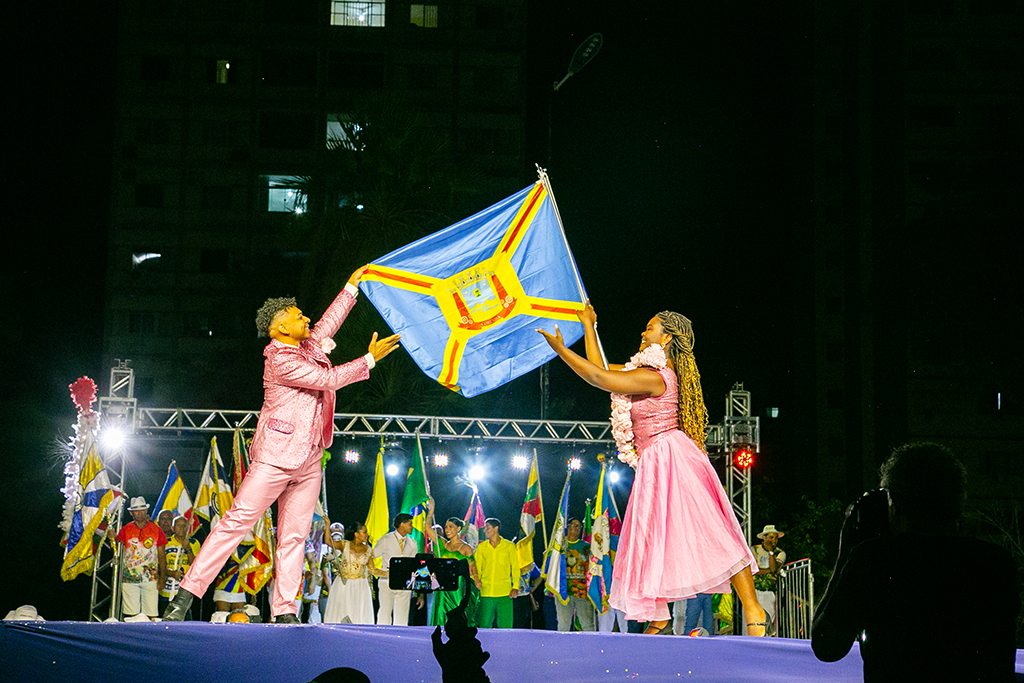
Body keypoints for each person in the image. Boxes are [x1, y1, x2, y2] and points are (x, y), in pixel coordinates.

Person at [163, 266, 400, 623]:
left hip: (310, 458)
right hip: (274, 458)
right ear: (281, 328)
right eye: (298, 315)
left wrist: (352, 286)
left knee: (294, 537)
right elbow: (327, 378)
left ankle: (285, 609)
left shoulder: (306, 345)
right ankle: (185, 595)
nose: (306, 319)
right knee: (235, 523)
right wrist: (369, 360)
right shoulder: (280, 359)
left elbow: (328, 323)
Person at [538, 306, 766, 635]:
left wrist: (561, 350)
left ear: (667, 337)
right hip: (654, 462)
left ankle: (753, 607)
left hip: (671, 456)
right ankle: (659, 617)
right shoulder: (644, 372)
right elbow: (600, 367)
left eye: (650, 328)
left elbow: (598, 378)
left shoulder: (655, 377)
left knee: (713, 531)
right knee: (652, 538)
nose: (643, 333)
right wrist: (589, 325)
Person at [811, 442, 1020, 682]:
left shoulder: (875, 560)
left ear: (896, 503)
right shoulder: (994, 562)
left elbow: (826, 647)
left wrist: (847, 551)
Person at [110, 496, 167, 620]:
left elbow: (162, 555)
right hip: (129, 578)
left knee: (151, 615)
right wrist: (112, 539)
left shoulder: (156, 530)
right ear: (131, 513)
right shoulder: (125, 530)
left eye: (142, 510)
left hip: (151, 578)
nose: (140, 513)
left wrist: (162, 577)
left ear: (146, 510)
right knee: (132, 616)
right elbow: (116, 551)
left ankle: (149, 633)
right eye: (136, 511)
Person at [425, 500, 474, 627]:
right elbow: (427, 528)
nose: (447, 529)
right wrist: (431, 510)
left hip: (457, 589)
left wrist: (475, 585)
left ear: (458, 529)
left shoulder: (466, 548)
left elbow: (473, 570)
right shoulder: (441, 544)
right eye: (446, 527)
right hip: (442, 587)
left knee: (457, 617)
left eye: (450, 527)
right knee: (440, 617)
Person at [321, 520, 374, 624]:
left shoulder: (368, 549)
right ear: (356, 534)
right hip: (344, 582)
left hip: (361, 584)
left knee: (358, 612)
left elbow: (373, 569)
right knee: (342, 611)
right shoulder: (344, 545)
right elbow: (328, 541)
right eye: (364, 532)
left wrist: (388, 573)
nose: (367, 534)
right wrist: (327, 524)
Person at [371, 513, 419, 625]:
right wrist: (376, 571)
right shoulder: (386, 539)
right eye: (410, 524)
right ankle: (382, 633)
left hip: (405, 582)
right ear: (402, 524)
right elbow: (371, 555)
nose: (412, 527)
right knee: (385, 612)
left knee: (402, 615)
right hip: (387, 581)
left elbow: (414, 563)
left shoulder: (413, 543)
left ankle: (400, 634)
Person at [472, 518, 518, 629]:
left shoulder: (509, 546)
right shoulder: (482, 547)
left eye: (487, 528)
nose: (484, 531)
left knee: (506, 626)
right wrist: (476, 581)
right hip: (486, 592)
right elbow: (476, 568)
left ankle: (505, 641)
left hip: (505, 593)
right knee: (484, 625)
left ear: (496, 528)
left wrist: (515, 587)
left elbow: (515, 568)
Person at [555, 517, 596, 631]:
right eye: (574, 525)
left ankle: (590, 643)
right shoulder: (559, 545)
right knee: (563, 625)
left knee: (588, 625)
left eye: (579, 526)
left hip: (582, 592)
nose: (577, 528)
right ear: (568, 527)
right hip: (563, 592)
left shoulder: (586, 547)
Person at [158, 515, 200, 619]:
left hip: (184, 591)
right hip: (166, 590)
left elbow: (196, 566)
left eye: (184, 526)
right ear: (172, 528)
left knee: (184, 620)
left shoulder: (194, 543)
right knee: (165, 620)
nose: (181, 528)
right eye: (178, 525)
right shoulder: (165, 542)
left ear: (188, 528)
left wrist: (188, 549)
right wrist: (170, 573)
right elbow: (158, 565)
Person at [751, 524, 786, 635]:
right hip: (753, 591)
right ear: (764, 538)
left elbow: (774, 568)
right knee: (752, 622)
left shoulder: (780, 553)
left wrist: (771, 551)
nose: (774, 540)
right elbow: (753, 570)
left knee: (767, 623)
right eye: (771, 537)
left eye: (775, 538)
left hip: (769, 592)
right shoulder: (754, 550)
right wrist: (769, 570)